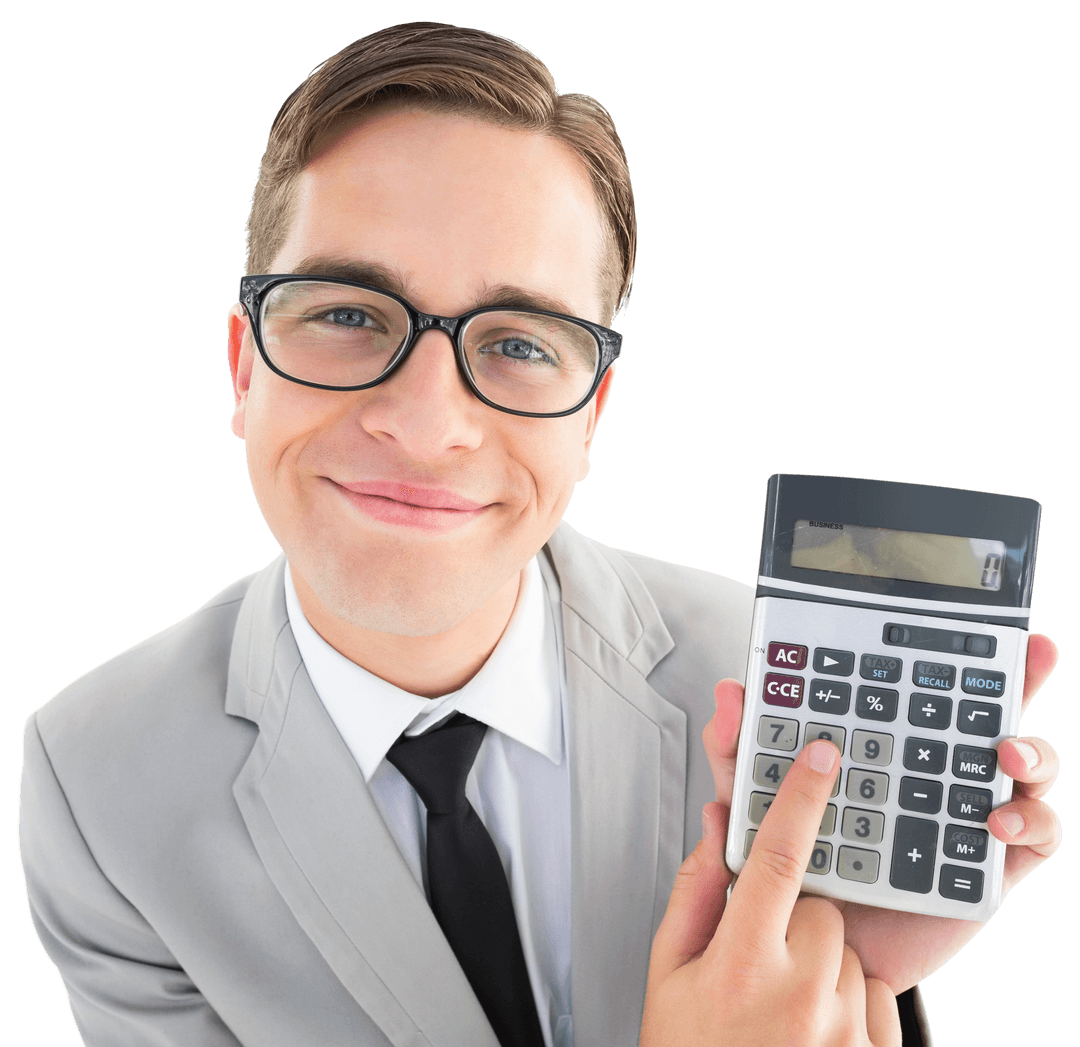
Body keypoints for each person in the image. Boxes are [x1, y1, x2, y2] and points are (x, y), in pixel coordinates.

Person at [18, 21, 1061, 1047]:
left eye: (519, 343)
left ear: (593, 414)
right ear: (246, 368)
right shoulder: (96, 783)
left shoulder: (769, 687)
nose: (426, 426)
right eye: (347, 315)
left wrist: (854, 970)